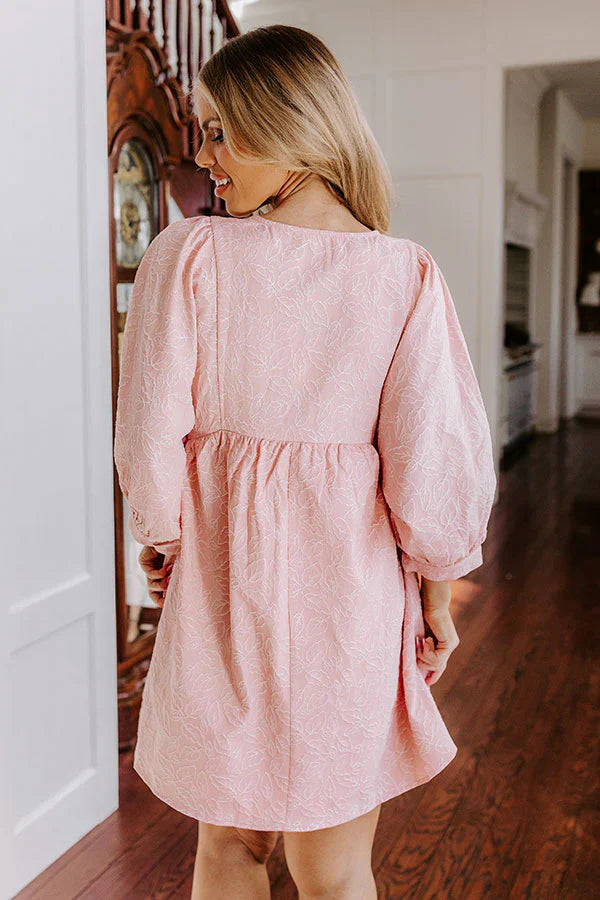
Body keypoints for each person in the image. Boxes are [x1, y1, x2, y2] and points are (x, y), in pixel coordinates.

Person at [113, 23, 497, 900]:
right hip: (352, 606)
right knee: (336, 870)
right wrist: (436, 598)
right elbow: (430, 464)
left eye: (220, 131)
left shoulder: (190, 255)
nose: (203, 156)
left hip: (225, 595)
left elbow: (148, 433)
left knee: (229, 847)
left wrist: (166, 536)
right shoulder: (404, 274)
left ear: (286, 122)